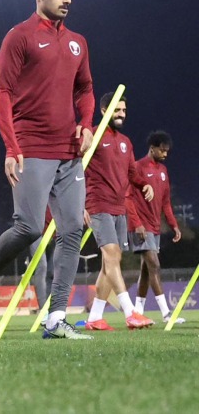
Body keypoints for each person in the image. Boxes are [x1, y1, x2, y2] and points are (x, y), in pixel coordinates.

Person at [0, 0, 95, 340]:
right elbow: (1, 93)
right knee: (29, 227)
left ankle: (55, 319)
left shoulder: (77, 42)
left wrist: (85, 122)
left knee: (72, 231)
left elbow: (85, 89)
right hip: (31, 146)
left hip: (69, 152)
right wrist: (10, 146)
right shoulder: (19, 37)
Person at [82, 93, 154, 330]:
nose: (121, 114)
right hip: (98, 204)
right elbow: (75, 169)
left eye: (123, 110)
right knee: (111, 255)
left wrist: (144, 184)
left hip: (118, 207)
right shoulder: (91, 136)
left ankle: (94, 318)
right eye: (116, 110)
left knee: (110, 263)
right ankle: (130, 312)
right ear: (104, 111)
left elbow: (132, 171)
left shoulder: (125, 141)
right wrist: (81, 204)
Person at [127, 130, 181, 323]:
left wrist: (174, 225)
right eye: (162, 150)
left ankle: (137, 311)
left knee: (146, 270)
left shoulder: (163, 171)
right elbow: (129, 199)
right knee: (155, 266)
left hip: (155, 226)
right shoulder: (137, 167)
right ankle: (167, 314)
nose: (166, 154)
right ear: (152, 149)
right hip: (141, 226)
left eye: (167, 151)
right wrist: (137, 224)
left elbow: (166, 202)